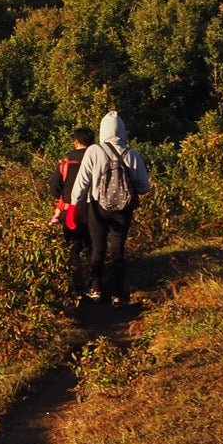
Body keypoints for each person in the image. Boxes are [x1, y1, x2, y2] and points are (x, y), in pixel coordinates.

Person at [73, 110, 151, 305]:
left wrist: (75, 204)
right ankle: (118, 293)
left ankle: (96, 288)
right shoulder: (131, 153)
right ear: (122, 131)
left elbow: (82, 182)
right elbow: (144, 186)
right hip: (123, 210)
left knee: (98, 248)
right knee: (118, 249)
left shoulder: (94, 151)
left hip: (98, 207)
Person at [50, 129, 93, 295]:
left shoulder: (65, 163)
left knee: (73, 249)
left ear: (75, 142)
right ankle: (94, 284)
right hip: (94, 209)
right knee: (93, 247)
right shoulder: (97, 160)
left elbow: (54, 191)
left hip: (71, 211)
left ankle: (77, 287)